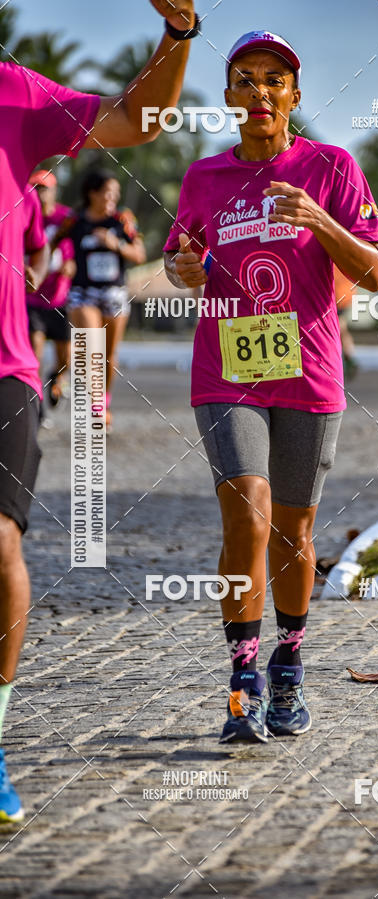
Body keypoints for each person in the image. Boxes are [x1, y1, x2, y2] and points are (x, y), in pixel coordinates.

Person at [0, 0, 199, 823]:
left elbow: (137, 118)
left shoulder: (14, 94)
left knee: (0, 544)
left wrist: (177, 37)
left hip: (5, 368)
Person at [164, 31, 378, 744]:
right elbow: (179, 259)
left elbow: (375, 271)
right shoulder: (204, 177)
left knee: (294, 532)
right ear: (229, 96)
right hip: (226, 371)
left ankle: (289, 664)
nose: (260, 91)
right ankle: (243, 681)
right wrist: (184, 269)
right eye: (245, 79)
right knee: (248, 517)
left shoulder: (331, 167)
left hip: (309, 371)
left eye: (274, 79)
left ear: (293, 94)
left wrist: (317, 218)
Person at [64, 170, 146, 432]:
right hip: (83, 292)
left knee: (109, 355)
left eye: (116, 194)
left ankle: (103, 401)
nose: (113, 199)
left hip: (114, 293)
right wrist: (63, 264)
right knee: (93, 349)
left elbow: (140, 254)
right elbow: (50, 243)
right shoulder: (74, 220)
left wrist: (115, 244)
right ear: (93, 193)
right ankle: (95, 403)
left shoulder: (123, 220)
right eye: (108, 193)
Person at [26, 170, 76, 424]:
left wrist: (73, 266)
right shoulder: (24, 215)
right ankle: (38, 410)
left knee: (66, 359)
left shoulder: (67, 218)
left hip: (60, 299)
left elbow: (79, 250)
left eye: (44, 188)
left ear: (55, 191)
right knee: (34, 356)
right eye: (35, 188)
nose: (40, 193)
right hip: (32, 299)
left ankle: (56, 377)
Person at [334, 266, 359, 379]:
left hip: (337, 296)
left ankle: (349, 359)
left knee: (340, 328)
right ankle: (349, 358)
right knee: (342, 328)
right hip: (346, 294)